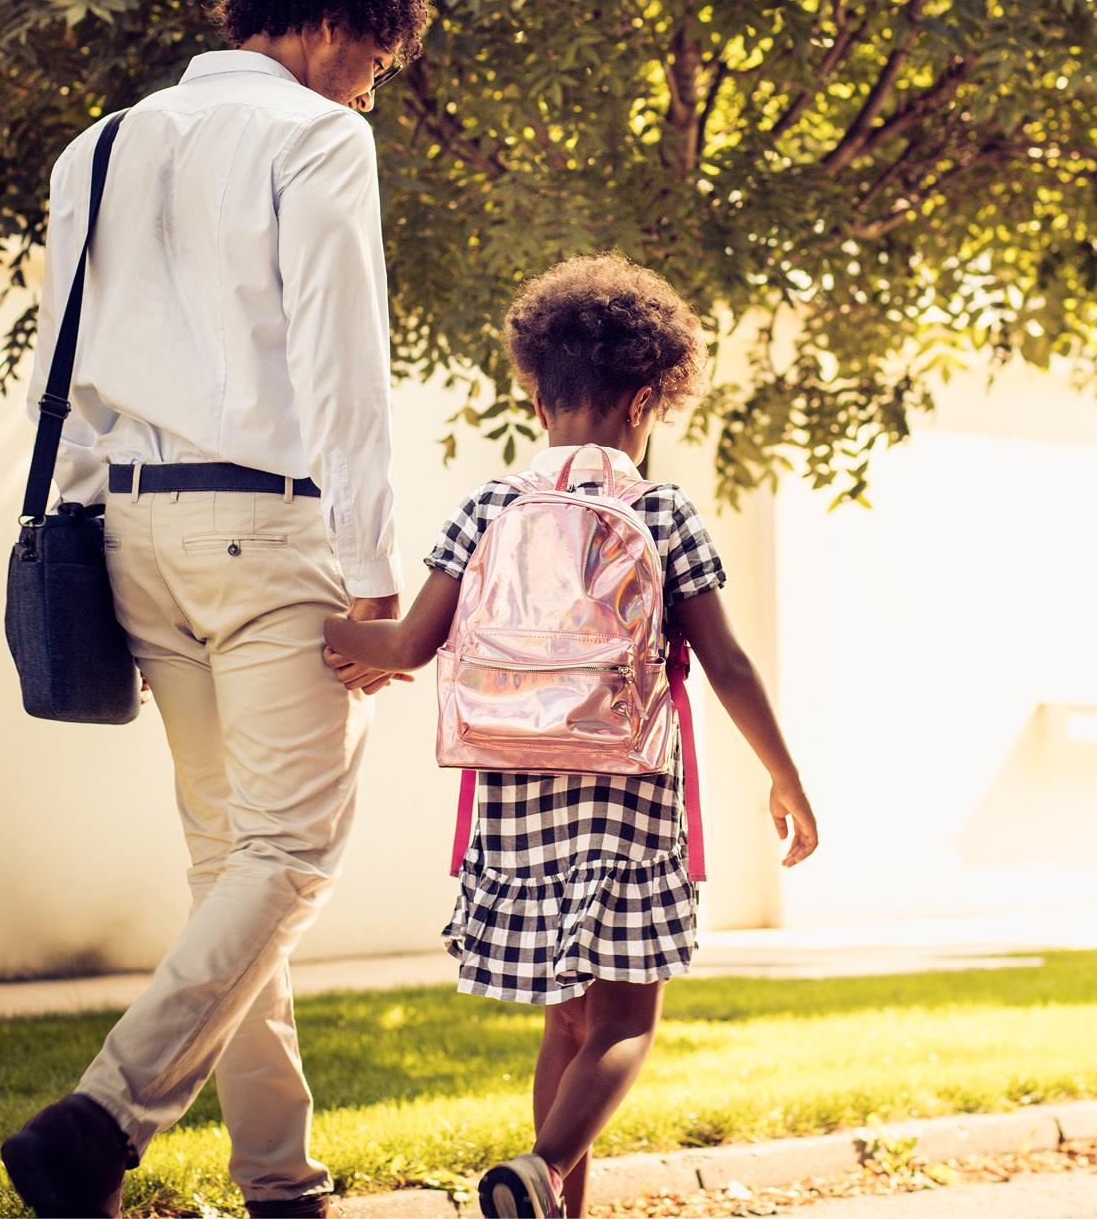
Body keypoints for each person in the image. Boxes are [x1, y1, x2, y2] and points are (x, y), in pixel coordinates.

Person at [0, 0, 430, 1216]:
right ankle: (104, 1114)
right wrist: (374, 575)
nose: (372, 89)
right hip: (273, 538)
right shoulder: (316, 137)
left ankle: (280, 1176)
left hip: (134, 536)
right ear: (334, 23)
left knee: (226, 862)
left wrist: (78, 522)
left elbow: (57, 367)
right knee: (292, 854)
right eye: (377, 60)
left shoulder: (103, 142)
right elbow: (343, 363)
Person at [321, 254, 821, 1219]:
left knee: (567, 1025)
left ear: (537, 395)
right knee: (628, 1019)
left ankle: (551, 1202)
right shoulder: (663, 513)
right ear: (646, 399)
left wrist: (315, 629)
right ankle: (542, 1171)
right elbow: (727, 665)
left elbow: (408, 645)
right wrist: (785, 779)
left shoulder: (487, 508)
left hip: (515, 802)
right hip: (631, 801)